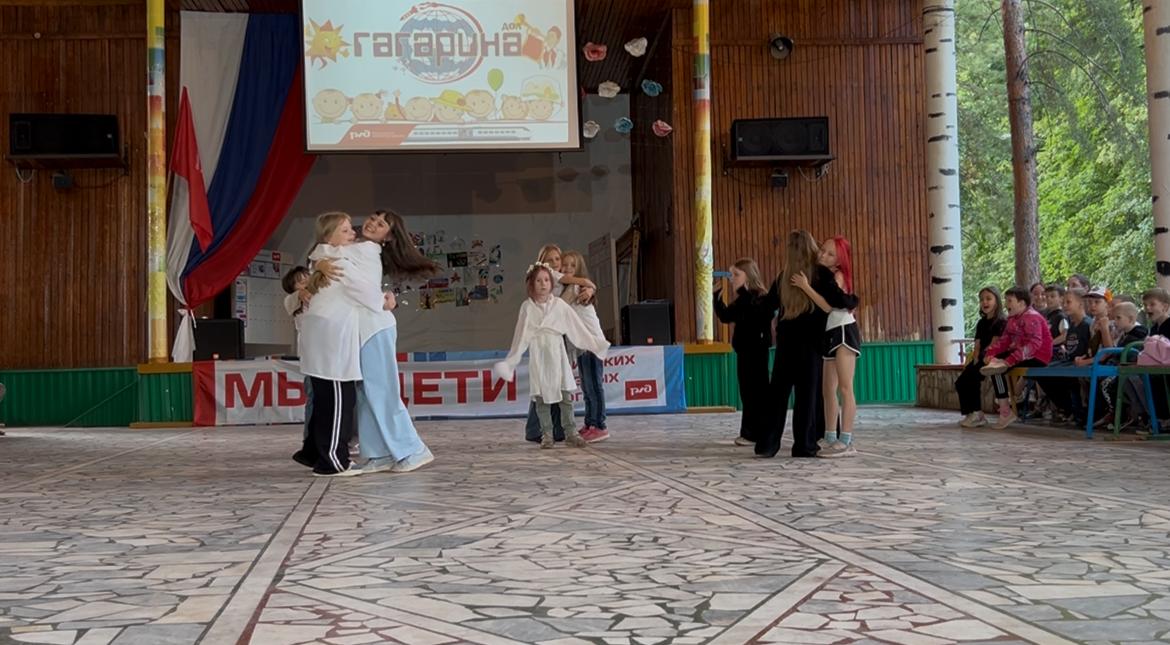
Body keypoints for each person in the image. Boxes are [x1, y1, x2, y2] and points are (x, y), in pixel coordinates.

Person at [315, 210, 440, 474]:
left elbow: (326, 251)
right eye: (373, 218)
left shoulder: (366, 250)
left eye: (381, 224)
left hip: (375, 330)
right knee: (366, 394)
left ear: (389, 236)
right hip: (362, 331)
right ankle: (378, 453)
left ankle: (413, 450)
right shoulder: (363, 248)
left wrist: (319, 260)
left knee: (382, 393)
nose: (372, 223)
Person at [295, 212, 395, 477]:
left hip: (319, 335)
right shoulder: (340, 263)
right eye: (346, 230)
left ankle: (312, 452)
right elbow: (365, 292)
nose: (354, 234)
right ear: (331, 236)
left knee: (324, 398)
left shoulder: (321, 257)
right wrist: (386, 300)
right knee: (340, 399)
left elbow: (319, 254)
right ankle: (334, 461)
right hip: (332, 337)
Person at [757, 230, 858, 459]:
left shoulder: (783, 277)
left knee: (778, 394)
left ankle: (767, 445)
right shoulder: (820, 274)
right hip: (811, 343)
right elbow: (836, 301)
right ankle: (804, 445)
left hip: (785, 343)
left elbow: (767, 306)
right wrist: (854, 300)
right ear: (812, 248)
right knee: (808, 397)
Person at [495, 263, 610, 448]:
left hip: (557, 353)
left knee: (565, 397)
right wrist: (512, 360)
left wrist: (594, 343)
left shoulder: (559, 305)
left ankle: (571, 433)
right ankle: (547, 435)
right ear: (531, 284)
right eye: (538, 281)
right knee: (542, 399)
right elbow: (520, 336)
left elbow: (576, 327)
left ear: (552, 283)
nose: (543, 284)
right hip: (539, 354)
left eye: (547, 280)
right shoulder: (527, 307)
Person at [794, 236, 861, 458]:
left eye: (830, 254)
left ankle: (846, 439)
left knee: (845, 388)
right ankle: (830, 436)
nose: (823, 255)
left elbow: (827, 306)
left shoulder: (838, 276)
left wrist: (805, 287)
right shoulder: (824, 276)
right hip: (830, 333)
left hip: (843, 331)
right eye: (822, 250)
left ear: (839, 261)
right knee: (827, 390)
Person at [523, 243, 597, 443]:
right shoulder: (546, 280)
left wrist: (590, 289)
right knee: (543, 386)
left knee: (560, 386)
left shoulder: (564, 282)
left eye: (558, 259)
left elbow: (581, 289)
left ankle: (559, 429)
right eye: (551, 259)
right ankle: (539, 429)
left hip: (559, 338)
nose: (556, 263)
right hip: (544, 340)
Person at [714, 258, 774, 447]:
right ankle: (750, 432)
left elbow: (757, 313)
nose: (732, 278)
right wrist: (716, 298)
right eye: (732, 274)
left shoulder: (759, 297)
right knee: (748, 392)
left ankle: (756, 432)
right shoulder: (743, 299)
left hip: (757, 351)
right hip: (744, 351)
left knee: (757, 391)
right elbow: (726, 316)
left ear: (748, 276)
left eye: (736, 274)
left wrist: (742, 291)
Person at [979, 286, 1054, 429]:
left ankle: (1005, 411)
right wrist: (990, 353)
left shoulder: (1032, 317)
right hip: (1022, 354)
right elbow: (1005, 341)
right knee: (994, 367)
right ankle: (1005, 410)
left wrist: (1009, 361)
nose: (1006, 304)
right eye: (1006, 300)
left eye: (1010, 300)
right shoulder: (1012, 319)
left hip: (1038, 357)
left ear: (1021, 303)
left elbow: (1033, 345)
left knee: (997, 369)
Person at [560, 251, 610, 443]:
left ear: (579, 269)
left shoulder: (575, 288)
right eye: (565, 264)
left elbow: (559, 305)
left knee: (594, 387)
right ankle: (590, 423)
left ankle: (599, 425)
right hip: (583, 345)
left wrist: (589, 286)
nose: (567, 269)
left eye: (572, 266)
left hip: (591, 344)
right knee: (587, 388)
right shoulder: (575, 287)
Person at [956, 287, 1007, 428]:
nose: (985, 302)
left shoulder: (1001, 321)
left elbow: (994, 344)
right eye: (982, 300)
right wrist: (976, 358)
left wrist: (983, 357)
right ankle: (972, 412)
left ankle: (977, 414)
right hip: (981, 357)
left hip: (993, 358)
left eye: (988, 299)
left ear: (997, 301)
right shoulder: (981, 323)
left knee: (971, 379)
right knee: (961, 381)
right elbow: (977, 343)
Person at [282, 265, 313, 441]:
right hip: (311, 357)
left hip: (331, 354)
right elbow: (295, 298)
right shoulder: (292, 301)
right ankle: (310, 438)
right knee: (313, 397)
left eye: (308, 277)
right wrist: (301, 293)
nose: (307, 282)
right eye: (301, 281)